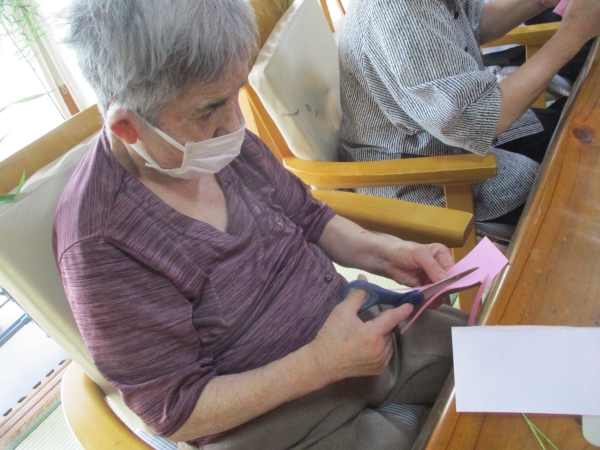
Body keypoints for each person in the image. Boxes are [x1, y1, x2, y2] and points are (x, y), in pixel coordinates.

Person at [54, 1, 466, 449]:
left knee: (496, 350)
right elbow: (173, 410)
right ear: (128, 127)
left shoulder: (217, 143)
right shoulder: (100, 244)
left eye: (236, 93)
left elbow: (310, 218)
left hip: (352, 332)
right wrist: (320, 363)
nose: (235, 123)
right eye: (209, 110)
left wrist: (386, 253)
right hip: (270, 420)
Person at [338, 0, 600, 225]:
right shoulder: (398, 12)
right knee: (582, 195)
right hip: (420, 174)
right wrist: (573, 34)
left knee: (577, 131)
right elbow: (477, 119)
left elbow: (471, 21)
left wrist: (539, 2)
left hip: (446, 136)